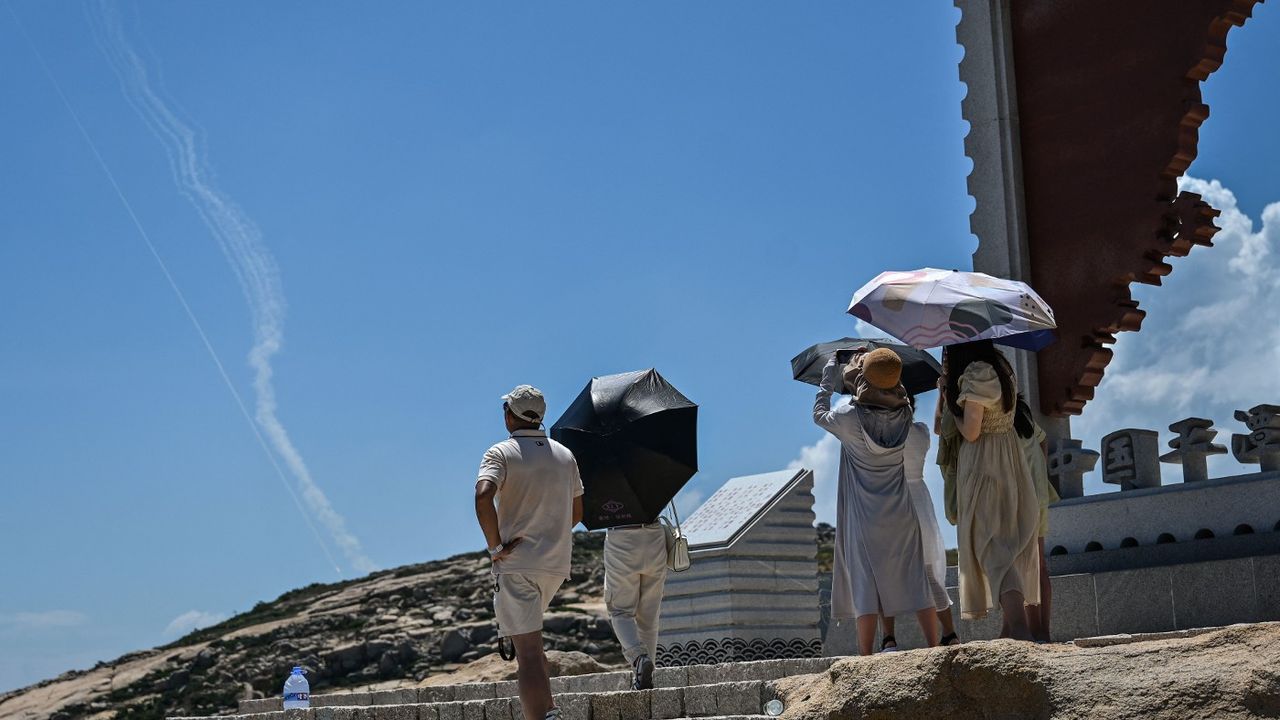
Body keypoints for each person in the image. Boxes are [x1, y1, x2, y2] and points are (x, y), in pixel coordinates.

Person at [814, 348, 941, 655]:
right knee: (915, 579)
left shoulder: (848, 417)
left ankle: (867, 653)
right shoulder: (905, 414)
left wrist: (830, 375)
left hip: (865, 515)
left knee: (866, 584)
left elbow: (819, 414)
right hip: (902, 511)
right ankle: (935, 646)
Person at [474, 385, 584, 720]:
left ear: (510, 414)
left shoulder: (500, 452)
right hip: (554, 564)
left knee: (529, 655)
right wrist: (548, 533)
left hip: (517, 563)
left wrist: (496, 547)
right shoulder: (565, 455)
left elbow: (482, 497)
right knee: (533, 645)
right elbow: (577, 513)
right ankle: (549, 710)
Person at [941, 341, 1041, 641]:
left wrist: (951, 403)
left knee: (991, 548)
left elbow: (971, 431)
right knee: (1006, 544)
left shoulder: (977, 372)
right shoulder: (1002, 368)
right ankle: (1009, 631)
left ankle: (1019, 628)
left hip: (984, 463)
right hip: (1008, 460)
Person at [1013, 396, 1059, 643]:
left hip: (1021, 497)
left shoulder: (1000, 417)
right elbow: (1043, 441)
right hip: (1038, 492)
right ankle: (1043, 632)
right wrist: (1040, 472)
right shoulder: (1022, 412)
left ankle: (1032, 632)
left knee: (1026, 567)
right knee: (1039, 565)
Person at [603, 521, 667, 689]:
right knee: (649, 618)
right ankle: (645, 678)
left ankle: (638, 658)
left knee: (620, 611)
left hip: (621, 535)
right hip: (654, 536)